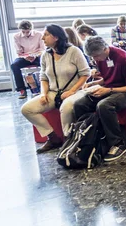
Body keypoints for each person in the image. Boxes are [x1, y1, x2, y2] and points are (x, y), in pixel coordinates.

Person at [21, 24, 91, 153]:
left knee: (66, 107)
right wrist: (43, 93)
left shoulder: (74, 51)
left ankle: (68, 139)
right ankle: (52, 137)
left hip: (75, 90)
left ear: (56, 37)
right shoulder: (46, 55)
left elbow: (86, 73)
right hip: (53, 92)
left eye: (46, 35)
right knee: (27, 109)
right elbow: (43, 77)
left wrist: (72, 91)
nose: (42, 38)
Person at [74, 36, 126, 162]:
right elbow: (109, 78)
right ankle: (90, 137)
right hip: (110, 88)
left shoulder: (122, 58)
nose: (95, 59)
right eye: (92, 57)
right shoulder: (101, 58)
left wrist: (108, 90)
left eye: (96, 56)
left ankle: (118, 143)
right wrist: (94, 83)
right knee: (80, 104)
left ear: (105, 49)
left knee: (104, 105)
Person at [11, 20, 45, 99]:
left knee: (46, 62)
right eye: (23, 32)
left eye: (28, 31)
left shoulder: (39, 34)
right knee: (14, 65)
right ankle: (22, 90)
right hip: (24, 57)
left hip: (37, 56)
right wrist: (26, 56)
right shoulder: (16, 36)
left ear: (31, 29)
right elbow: (19, 52)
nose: (26, 34)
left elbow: (42, 49)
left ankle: (44, 86)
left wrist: (35, 55)